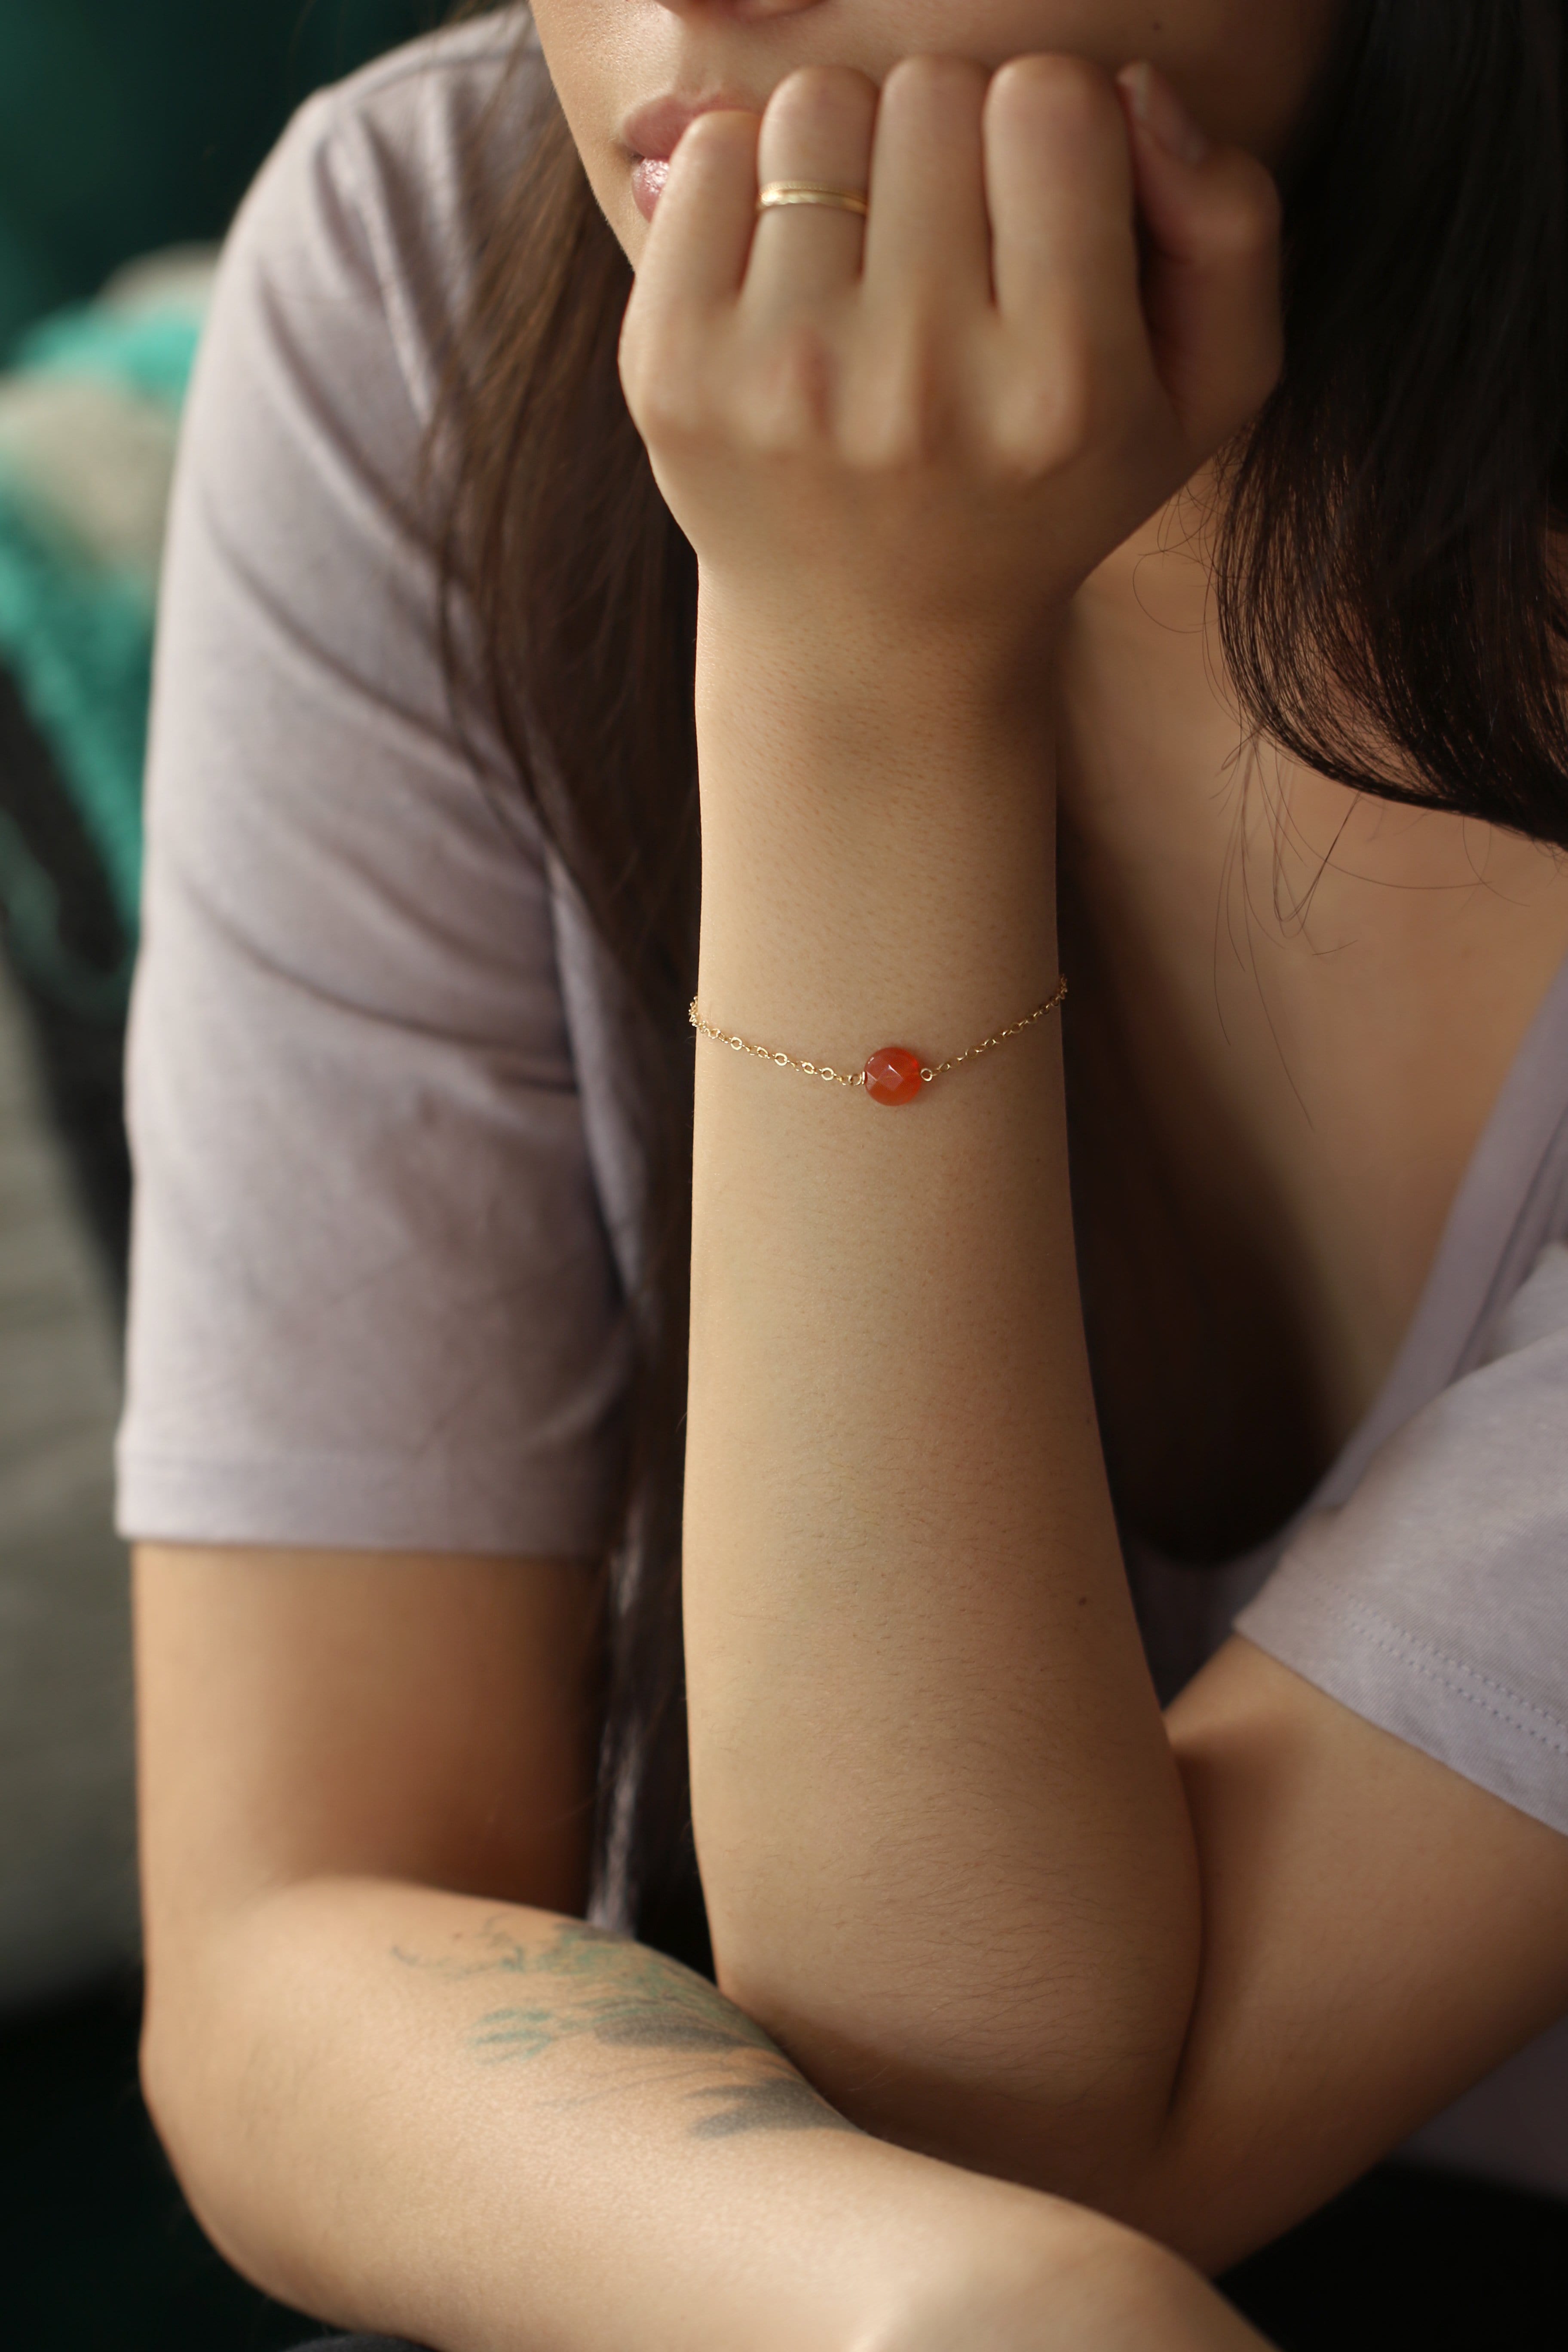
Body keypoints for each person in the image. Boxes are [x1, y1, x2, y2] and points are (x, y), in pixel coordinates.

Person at [123, 2, 1568, 2346]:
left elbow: (1018, 2086)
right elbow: (304, 1925)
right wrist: (942, 2310)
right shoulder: (425, 277)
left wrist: (855, 669)